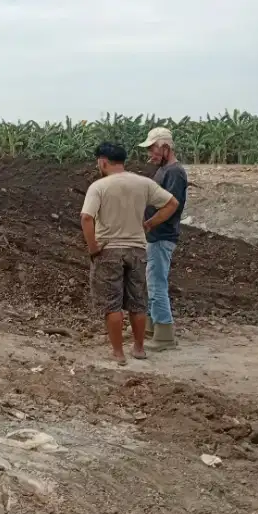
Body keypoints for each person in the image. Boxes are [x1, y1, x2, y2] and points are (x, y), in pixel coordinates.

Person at [80, 142, 179, 365]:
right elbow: (172, 203)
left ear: (102, 161)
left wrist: (93, 247)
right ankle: (139, 348)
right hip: (137, 250)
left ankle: (118, 353)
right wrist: (150, 223)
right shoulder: (143, 183)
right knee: (138, 303)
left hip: (109, 251)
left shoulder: (99, 187)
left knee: (112, 305)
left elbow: (86, 217)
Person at [138, 127, 188, 351]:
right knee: (151, 282)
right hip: (155, 236)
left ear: (166, 147)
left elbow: (171, 206)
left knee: (157, 284)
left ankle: (165, 334)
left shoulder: (175, 173)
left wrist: (149, 223)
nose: (150, 154)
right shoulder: (164, 170)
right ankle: (150, 327)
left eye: (153, 149)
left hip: (162, 235)